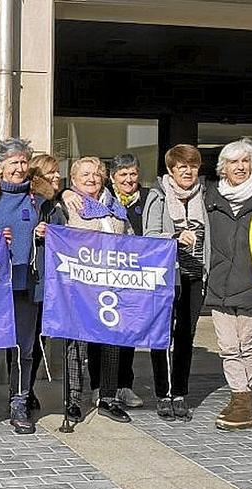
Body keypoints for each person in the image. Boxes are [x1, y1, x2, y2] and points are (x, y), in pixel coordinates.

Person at [35, 156, 133, 424]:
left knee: (111, 342)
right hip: (79, 285)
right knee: (76, 344)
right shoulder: (68, 205)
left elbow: (131, 239)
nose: (91, 179)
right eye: (85, 175)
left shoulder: (115, 207)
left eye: (96, 174)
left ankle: (107, 398)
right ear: (74, 180)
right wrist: (65, 194)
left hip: (112, 284)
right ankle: (74, 400)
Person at [0, 138, 53, 434]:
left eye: (24, 162)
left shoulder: (41, 199)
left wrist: (47, 231)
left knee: (24, 348)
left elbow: (60, 231)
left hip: (27, 283)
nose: (20, 168)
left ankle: (18, 403)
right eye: (14, 162)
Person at [203, 139, 252, 431]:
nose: (240, 167)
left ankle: (243, 402)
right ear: (223, 168)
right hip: (218, 280)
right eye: (233, 162)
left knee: (245, 344)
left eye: (245, 161)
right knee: (228, 346)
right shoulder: (212, 196)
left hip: (250, 280)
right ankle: (240, 396)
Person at [143, 144, 210, 422]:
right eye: (182, 166)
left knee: (186, 336)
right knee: (161, 335)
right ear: (171, 169)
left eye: (192, 166)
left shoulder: (204, 196)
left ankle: (180, 392)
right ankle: (162, 393)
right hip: (166, 277)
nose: (188, 171)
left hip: (195, 276)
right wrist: (174, 237)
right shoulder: (158, 196)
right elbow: (148, 235)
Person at [89, 154, 148, 409]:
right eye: (123, 174)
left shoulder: (147, 200)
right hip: (101, 278)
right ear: (112, 178)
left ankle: (124, 386)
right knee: (99, 335)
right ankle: (98, 386)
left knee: (127, 335)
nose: (129, 179)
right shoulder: (105, 202)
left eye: (133, 174)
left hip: (133, 277)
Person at [24, 154, 62, 412]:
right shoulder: (32, 203)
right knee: (24, 341)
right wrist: (33, 233)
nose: (57, 177)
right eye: (51, 173)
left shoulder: (58, 205)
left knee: (40, 339)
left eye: (58, 173)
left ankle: (29, 388)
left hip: (52, 283)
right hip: (30, 280)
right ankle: (21, 390)